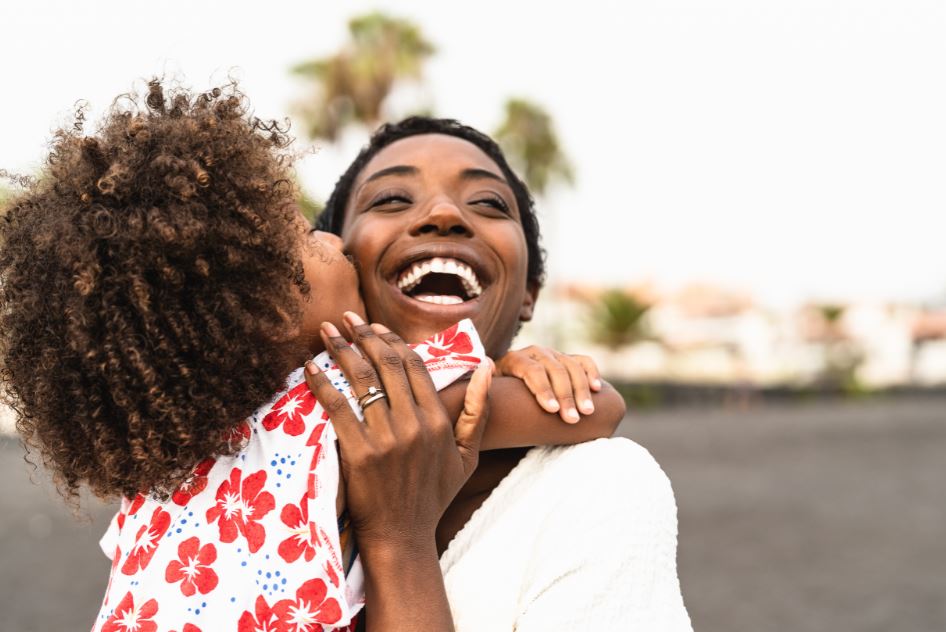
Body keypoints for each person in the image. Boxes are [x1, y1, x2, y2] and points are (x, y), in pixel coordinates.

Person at [0, 81, 625, 631]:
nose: (328, 239)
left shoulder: (159, 488)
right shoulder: (342, 401)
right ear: (269, 310)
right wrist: (518, 366)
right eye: (302, 237)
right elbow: (590, 409)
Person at [316, 116, 694, 629]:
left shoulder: (594, 487)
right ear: (337, 261)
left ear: (528, 295)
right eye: (390, 200)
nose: (444, 214)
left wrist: (397, 539)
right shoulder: (236, 441)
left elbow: (600, 406)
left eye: (489, 203)